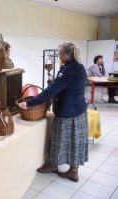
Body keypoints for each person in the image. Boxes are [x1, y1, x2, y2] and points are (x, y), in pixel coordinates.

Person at [18, 42, 88, 182]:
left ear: (66, 56)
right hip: (79, 110)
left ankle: (52, 165)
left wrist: (29, 103)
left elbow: (51, 91)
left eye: (59, 54)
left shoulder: (68, 70)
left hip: (67, 112)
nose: (58, 57)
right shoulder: (79, 66)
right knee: (75, 142)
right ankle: (73, 170)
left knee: (59, 140)